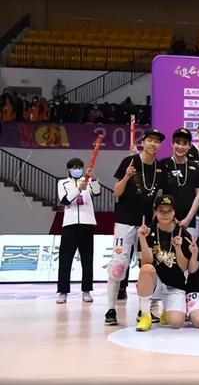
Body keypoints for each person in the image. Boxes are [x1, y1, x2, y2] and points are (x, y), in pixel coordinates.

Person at [105, 128, 167, 326]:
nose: (153, 144)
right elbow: (117, 192)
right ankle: (110, 309)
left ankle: (144, 311)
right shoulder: (129, 162)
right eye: (150, 140)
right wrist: (126, 176)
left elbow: (159, 198)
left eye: (157, 141)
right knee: (118, 265)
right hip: (124, 221)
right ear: (143, 142)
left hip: (146, 224)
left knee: (146, 267)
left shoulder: (160, 167)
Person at [135, 195, 192, 331]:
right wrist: (142, 238)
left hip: (175, 284)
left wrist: (178, 248)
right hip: (155, 282)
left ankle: (168, 310)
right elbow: (146, 263)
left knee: (177, 322)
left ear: (174, 212)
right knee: (146, 269)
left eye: (169, 211)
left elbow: (184, 267)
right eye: (161, 210)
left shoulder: (183, 234)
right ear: (155, 212)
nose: (165, 214)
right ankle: (145, 315)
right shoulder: (147, 231)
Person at [56, 158, 101, 304]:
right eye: (74, 167)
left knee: (87, 259)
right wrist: (78, 189)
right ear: (68, 169)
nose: (77, 170)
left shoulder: (88, 181)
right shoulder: (63, 183)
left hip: (87, 224)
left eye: (79, 167)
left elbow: (97, 192)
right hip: (69, 224)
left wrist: (93, 178)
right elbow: (65, 200)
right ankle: (63, 291)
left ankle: (86, 290)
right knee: (65, 259)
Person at [160, 128, 199, 235]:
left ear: (189, 146)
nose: (180, 147)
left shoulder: (195, 166)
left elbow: (198, 193)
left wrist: (188, 219)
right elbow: (159, 193)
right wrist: (170, 217)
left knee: (189, 246)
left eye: (184, 144)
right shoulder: (164, 164)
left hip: (189, 222)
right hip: (166, 220)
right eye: (177, 143)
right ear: (172, 144)